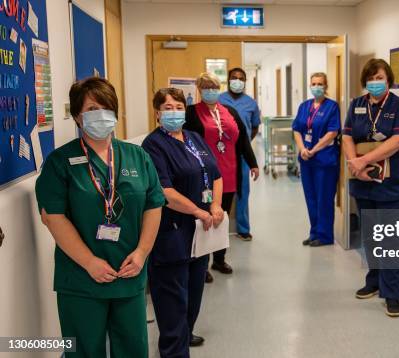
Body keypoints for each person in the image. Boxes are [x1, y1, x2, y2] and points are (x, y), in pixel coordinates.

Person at [35, 77, 166, 357]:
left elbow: (154, 205)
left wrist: (142, 252)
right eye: (92, 109)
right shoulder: (60, 162)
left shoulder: (137, 156)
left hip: (129, 273)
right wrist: (89, 262)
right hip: (81, 279)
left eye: (106, 108)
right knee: (82, 351)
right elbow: (53, 217)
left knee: (133, 349)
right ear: (78, 116)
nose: (101, 115)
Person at [142, 88, 224, 357]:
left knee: (193, 295)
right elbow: (164, 193)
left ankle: (185, 333)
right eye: (167, 107)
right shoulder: (153, 145)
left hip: (201, 233)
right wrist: (199, 212)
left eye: (178, 106)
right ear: (157, 113)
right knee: (172, 303)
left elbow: (215, 175)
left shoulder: (195, 138)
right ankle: (174, 348)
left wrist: (215, 205)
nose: (174, 112)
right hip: (172, 233)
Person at [342, 59, 399, 317]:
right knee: (371, 236)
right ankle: (373, 280)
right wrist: (354, 163)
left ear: (389, 80)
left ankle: (392, 293)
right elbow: (348, 135)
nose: (375, 83)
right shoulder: (357, 104)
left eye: (380, 78)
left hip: (393, 184)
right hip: (363, 182)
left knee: (391, 239)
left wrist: (364, 160)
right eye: (371, 78)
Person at [184, 72, 259, 281]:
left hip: (228, 174)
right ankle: (201, 264)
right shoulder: (191, 113)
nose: (211, 91)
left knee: (221, 219)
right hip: (203, 176)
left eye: (214, 87)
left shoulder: (230, 112)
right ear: (200, 90)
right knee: (204, 218)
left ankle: (219, 259)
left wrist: (253, 163)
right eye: (206, 87)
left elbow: (242, 139)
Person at [292, 72, 341, 247]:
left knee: (324, 198)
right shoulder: (304, 106)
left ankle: (325, 235)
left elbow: (333, 132)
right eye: (314, 83)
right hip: (306, 159)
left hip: (324, 160)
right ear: (309, 85)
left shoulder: (332, 107)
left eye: (320, 83)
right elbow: (297, 129)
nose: (317, 87)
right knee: (311, 198)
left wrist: (314, 149)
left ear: (326, 86)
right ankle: (314, 233)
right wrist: (302, 149)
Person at [219, 67, 261, 241]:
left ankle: (243, 228)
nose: (237, 81)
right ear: (228, 80)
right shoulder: (219, 99)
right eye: (234, 78)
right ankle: (218, 230)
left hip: (242, 155)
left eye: (241, 78)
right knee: (219, 192)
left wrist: (244, 145)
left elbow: (255, 126)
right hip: (221, 153)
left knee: (243, 191)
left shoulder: (251, 103)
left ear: (245, 81)